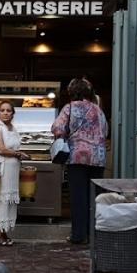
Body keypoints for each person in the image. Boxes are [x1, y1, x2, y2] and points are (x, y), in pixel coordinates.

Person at [53, 77, 109, 245]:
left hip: (77, 157)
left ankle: (78, 235)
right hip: (97, 158)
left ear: (71, 92)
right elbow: (105, 130)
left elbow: (57, 128)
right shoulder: (97, 110)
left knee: (78, 197)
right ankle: (94, 233)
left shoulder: (69, 108)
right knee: (94, 197)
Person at [0, 100, 29, 245]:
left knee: (7, 202)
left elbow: (11, 147)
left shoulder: (13, 128)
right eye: (2, 110)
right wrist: (18, 154)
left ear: (13, 113)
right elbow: (1, 149)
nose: (5, 113)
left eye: (8, 110)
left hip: (11, 172)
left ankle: (3, 231)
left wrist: (18, 154)